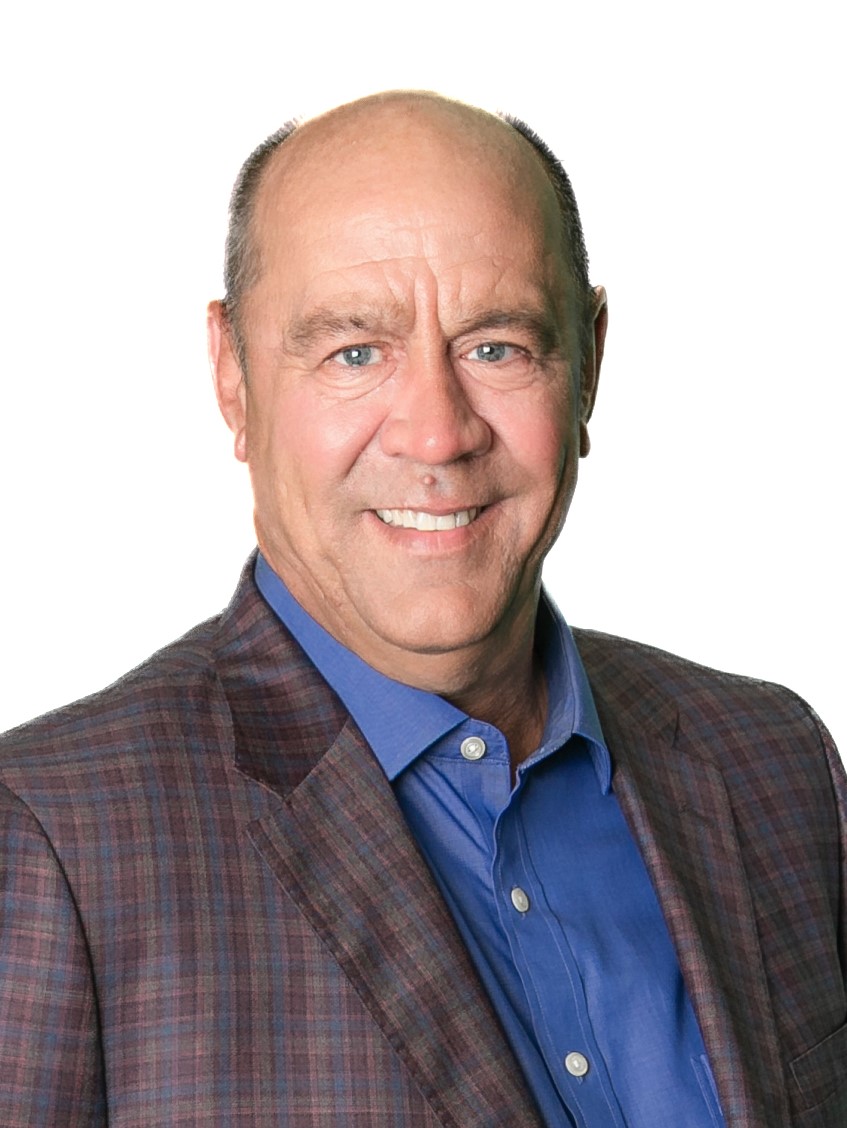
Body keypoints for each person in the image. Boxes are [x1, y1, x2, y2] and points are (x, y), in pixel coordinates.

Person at [0, 91, 843, 1128]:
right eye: (354, 353)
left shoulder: (774, 763)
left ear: (588, 362)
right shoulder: (51, 844)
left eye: (496, 347)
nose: (438, 435)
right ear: (232, 376)